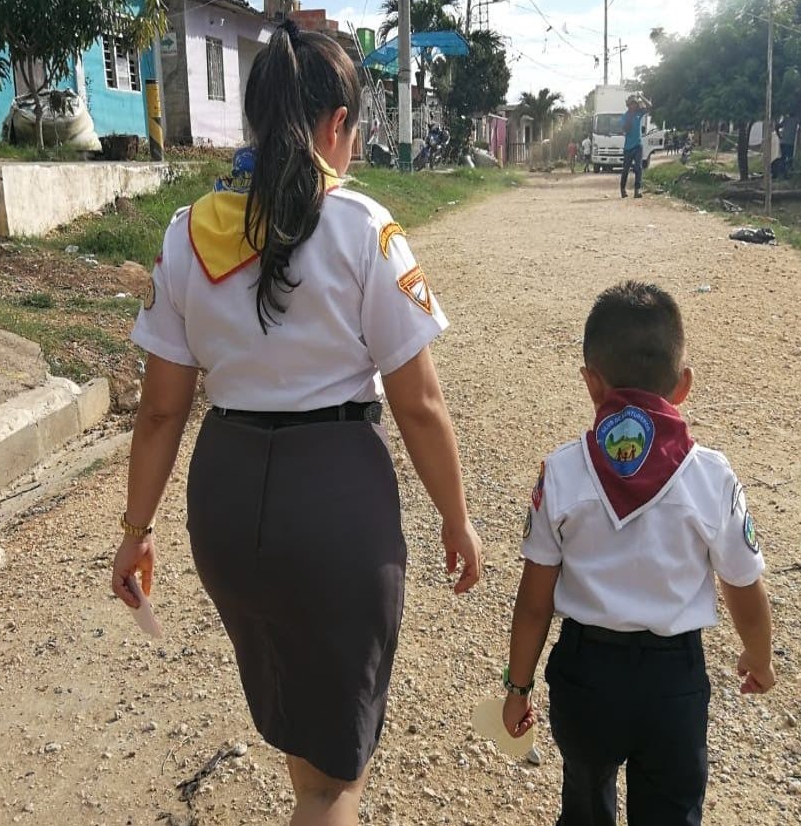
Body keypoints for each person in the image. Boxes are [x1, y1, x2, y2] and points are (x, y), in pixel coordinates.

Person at [112, 20, 483, 826]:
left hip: (226, 503)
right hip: (333, 503)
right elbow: (418, 403)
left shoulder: (186, 233)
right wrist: (456, 517)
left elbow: (160, 411)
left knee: (295, 713)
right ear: (338, 125)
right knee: (331, 781)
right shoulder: (360, 227)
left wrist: (136, 528)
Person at [501, 281, 775, 826]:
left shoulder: (561, 472)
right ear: (683, 386)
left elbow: (534, 602)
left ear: (590, 383)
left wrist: (518, 687)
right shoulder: (711, 477)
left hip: (585, 676)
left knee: (584, 799)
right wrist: (759, 657)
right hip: (672, 683)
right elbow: (743, 587)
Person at [619, 94, 650, 198]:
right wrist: (629, 121)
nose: (633, 106)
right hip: (628, 147)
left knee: (638, 168)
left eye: (635, 104)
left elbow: (649, 106)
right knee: (625, 169)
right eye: (631, 104)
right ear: (628, 105)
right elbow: (624, 129)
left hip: (638, 145)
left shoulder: (639, 114)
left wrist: (641, 96)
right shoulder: (625, 116)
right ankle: (623, 189)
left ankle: (637, 191)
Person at [777, 113, 799, 177]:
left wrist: (779, 136)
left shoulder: (786, 119)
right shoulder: (796, 120)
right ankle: (787, 174)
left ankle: (782, 173)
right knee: (789, 159)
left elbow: (777, 126)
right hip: (789, 143)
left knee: (783, 158)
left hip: (783, 142)